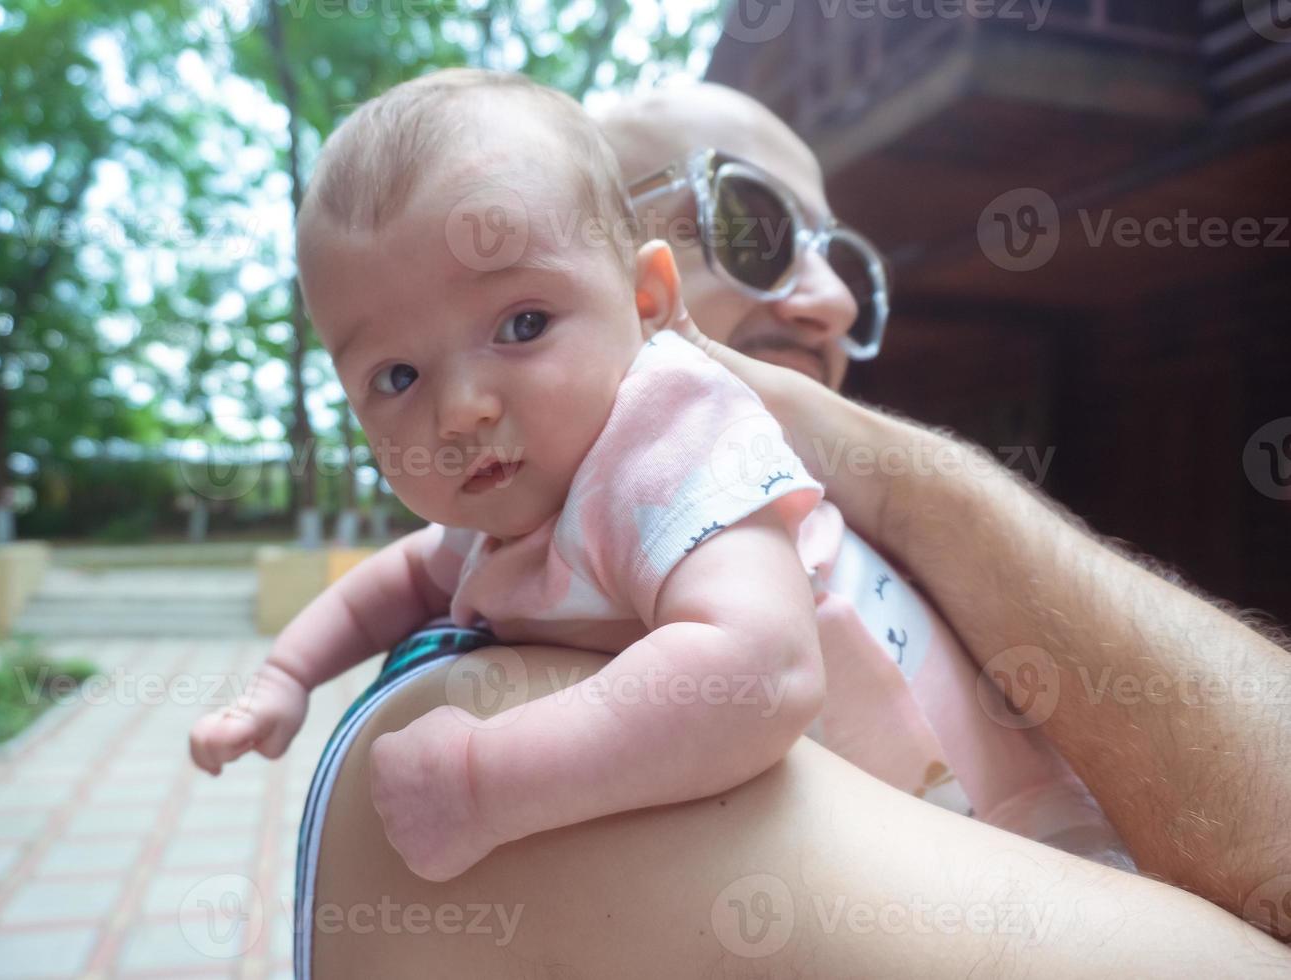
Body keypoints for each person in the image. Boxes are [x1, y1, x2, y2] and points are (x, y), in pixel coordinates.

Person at [201, 76, 1291, 976]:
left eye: (839, 252)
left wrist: (908, 483)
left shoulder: (672, 461)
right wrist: (285, 679)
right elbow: (410, 576)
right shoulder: (504, 645)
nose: (832, 300)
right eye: (752, 224)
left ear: (641, 293)